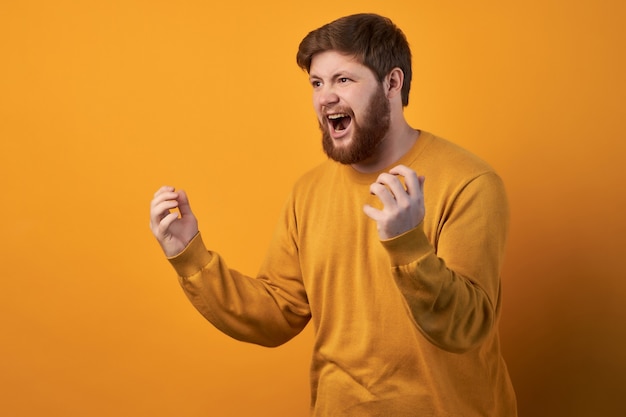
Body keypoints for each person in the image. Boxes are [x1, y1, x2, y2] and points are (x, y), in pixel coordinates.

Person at [149, 13, 517, 416]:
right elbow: (276, 312)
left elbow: (466, 326)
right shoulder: (308, 192)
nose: (325, 97)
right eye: (316, 83)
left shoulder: (469, 182)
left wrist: (409, 245)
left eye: (343, 80)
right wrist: (189, 254)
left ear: (392, 83)